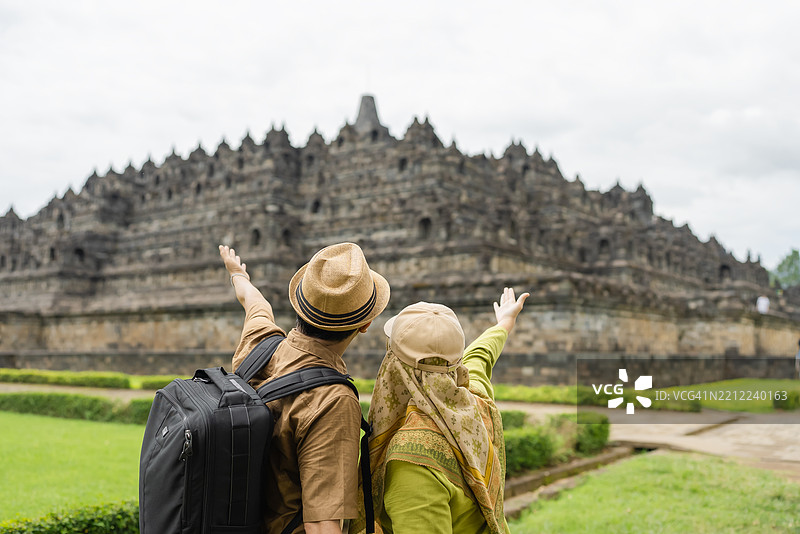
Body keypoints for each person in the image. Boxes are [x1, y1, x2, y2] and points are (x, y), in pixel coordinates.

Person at [220, 242, 390, 534]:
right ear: (366, 324)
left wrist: (239, 276)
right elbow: (322, 525)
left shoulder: (260, 343)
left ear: (300, 305)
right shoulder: (333, 401)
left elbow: (255, 304)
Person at [351, 287, 529, 534]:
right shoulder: (476, 399)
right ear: (456, 363)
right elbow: (479, 357)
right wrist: (505, 324)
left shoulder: (412, 459)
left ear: (394, 365)